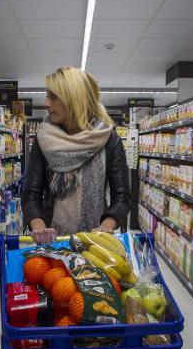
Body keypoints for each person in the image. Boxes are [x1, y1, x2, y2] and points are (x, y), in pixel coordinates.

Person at [22, 67, 131, 245]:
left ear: (74, 100)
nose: (46, 103)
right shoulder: (44, 140)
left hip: (96, 240)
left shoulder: (110, 140)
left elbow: (122, 196)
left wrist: (107, 225)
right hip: (53, 239)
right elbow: (31, 193)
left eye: (53, 97)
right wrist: (38, 225)